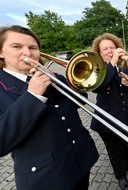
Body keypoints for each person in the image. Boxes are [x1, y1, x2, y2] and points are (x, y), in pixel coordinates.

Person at [0, 25, 99, 190]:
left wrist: (62, 83)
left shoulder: (51, 77)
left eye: (33, 48)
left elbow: (81, 101)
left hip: (81, 160)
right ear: (1, 52)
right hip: (47, 177)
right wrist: (32, 95)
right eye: (17, 46)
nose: (28, 53)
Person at [90, 33, 128, 190]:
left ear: (117, 48)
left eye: (112, 47)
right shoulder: (95, 68)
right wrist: (112, 63)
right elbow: (97, 88)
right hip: (108, 121)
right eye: (105, 49)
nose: (109, 51)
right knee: (115, 152)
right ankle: (120, 175)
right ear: (99, 53)